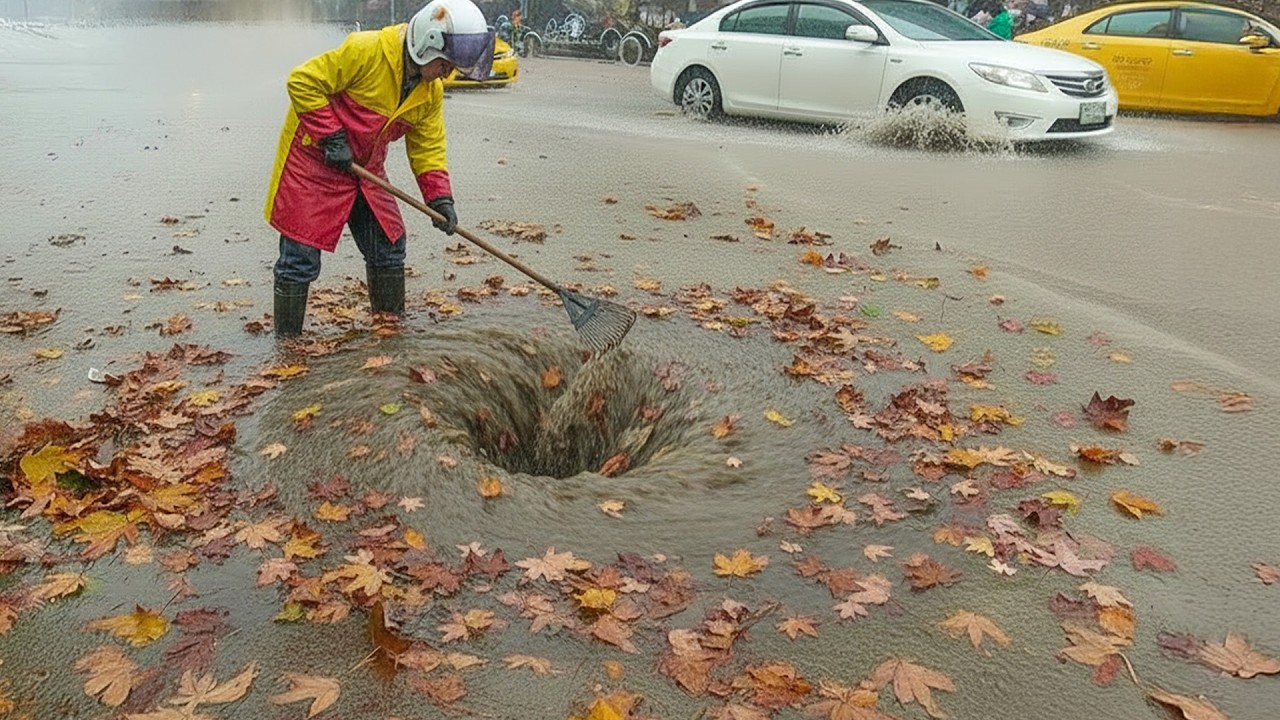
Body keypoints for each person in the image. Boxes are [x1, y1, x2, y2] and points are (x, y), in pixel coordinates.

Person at [264, 0, 495, 337]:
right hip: (315, 161)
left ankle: (389, 333)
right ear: (426, 45)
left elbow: (428, 145)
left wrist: (440, 198)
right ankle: (288, 345)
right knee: (300, 258)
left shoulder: (429, 92)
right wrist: (332, 137)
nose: (448, 74)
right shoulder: (366, 51)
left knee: (389, 244)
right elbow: (302, 81)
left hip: (365, 167)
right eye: (445, 65)